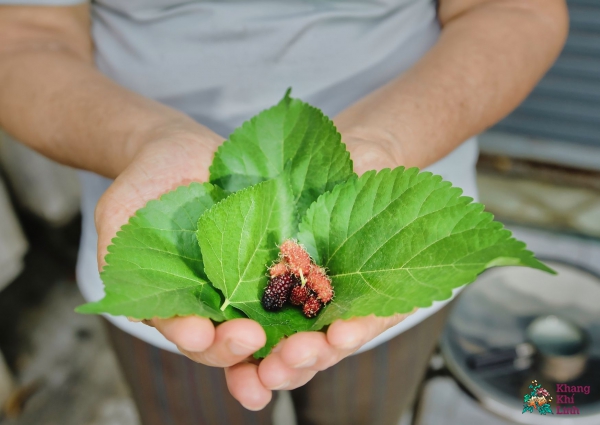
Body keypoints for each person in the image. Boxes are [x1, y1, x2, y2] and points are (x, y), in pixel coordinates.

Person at [0, 0, 567, 424]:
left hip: (383, 202)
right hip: (166, 216)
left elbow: (516, 10)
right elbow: (24, 33)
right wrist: (145, 140)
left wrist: (384, 143)